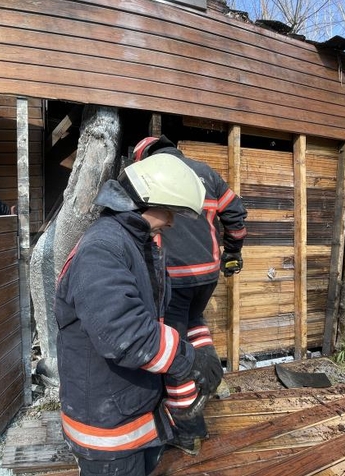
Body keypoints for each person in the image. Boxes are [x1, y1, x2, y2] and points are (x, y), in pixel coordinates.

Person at [54, 153, 224, 476]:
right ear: (149, 200)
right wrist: (188, 360)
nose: (172, 222)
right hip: (107, 437)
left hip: (134, 418)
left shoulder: (142, 247)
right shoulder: (101, 249)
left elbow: (166, 317)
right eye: (170, 212)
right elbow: (126, 335)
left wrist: (202, 352)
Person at [132, 135, 248, 455]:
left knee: (172, 348)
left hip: (173, 278)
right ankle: (213, 379)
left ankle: (189, 427)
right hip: (207, 275)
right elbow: (236, 214)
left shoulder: (149, 175)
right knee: (194, 322)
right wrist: (232, 252)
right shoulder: (206, 172)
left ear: (145, 158)